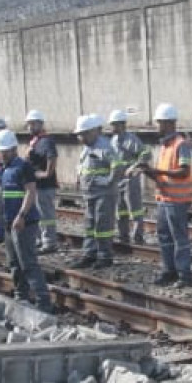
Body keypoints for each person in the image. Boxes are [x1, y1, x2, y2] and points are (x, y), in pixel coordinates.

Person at [0, 129, 52, 309]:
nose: (1, 154)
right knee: (14, 263)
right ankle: (22, 296)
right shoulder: (2, 170)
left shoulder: (23, 167)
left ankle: (43, 302)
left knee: (28, 263)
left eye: (4, 151)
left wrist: (21, 216)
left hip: (23, 223)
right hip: (8, 223)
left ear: (13, 149)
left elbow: (30, 191)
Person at [142, 102, 192, 285]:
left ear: (169, 123)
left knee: (179, 238)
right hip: (165, 199)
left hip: (177, 201)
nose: (157, 126)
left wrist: (158, 172)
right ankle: (169, 270)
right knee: (164, 236)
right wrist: (148, 171)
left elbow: (184, 171)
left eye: (160, 123)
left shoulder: (181, 145)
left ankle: (184, 275)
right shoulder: (165, 146)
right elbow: (161, 174)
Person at [71, 113, 116, 269]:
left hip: (103, 193)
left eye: (83, 134)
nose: (80, 138)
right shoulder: (87, 148)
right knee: (90, 225)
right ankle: (89, 254)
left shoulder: (104, 146)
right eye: (79, 135)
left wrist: (109, 181)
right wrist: (79, 178)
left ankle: (105, 256)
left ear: (92, 132)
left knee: (102, 225)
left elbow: (117, 166)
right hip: (89, 192)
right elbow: (84, 166)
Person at [109, 109, 147, 244]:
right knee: (120, 211)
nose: (113, 127)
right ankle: (123, 235)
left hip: (130, 181)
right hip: (117, 181)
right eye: (112, 124)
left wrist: (134, 167)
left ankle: (138, 237)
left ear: (122, 125)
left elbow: (145, 154)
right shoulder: (113, 141)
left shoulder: (132, 140)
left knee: (135, 210)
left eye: (115, 124)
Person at [24, 109, 60, 252]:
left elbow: (52, 157)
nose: (30, 127)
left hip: (45, 185)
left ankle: (49, 242)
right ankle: (40, 239)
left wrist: (47, 173)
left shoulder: (46, 141)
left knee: (46, 215)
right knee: (37, 214)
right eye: (29, 124)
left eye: (33, 124)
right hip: (35, 184)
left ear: (40, 124)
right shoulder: (35, 141)